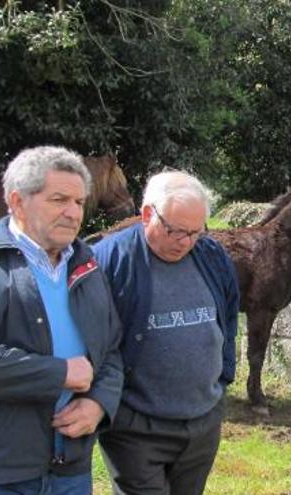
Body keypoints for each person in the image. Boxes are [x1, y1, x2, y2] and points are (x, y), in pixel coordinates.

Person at [0, 146, 124, 494]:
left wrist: (99, 402)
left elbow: (111, 349)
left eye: (78, 201)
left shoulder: (87, 267)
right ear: (17, 201)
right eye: (59, 200)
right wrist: (60, 373)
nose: (74, 213)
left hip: (70, 467)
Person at [92, 171, 240, 495]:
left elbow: (228, 320)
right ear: (147, 215)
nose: (185, 242)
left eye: (195, 232)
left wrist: (223, 378)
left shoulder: (212, 257)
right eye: (175, 231)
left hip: (202, 423)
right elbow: (94, 343)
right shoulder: (110, 261)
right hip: (136, 428)